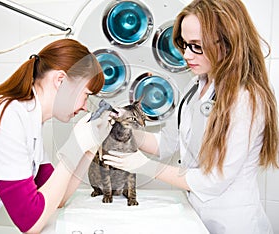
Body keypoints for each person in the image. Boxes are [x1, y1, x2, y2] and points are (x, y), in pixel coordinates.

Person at [103, 0, 279, 233]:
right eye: (184, 44)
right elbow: (168, 142)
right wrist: (121, 127)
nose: (186, 54)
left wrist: (146, 166)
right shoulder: (196, 87)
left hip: (234, 222)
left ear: (227, 41)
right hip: (196, 215)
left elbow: (214, 180)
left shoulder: (247, 98)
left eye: (196, 45)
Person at [0, 38, 113, 233]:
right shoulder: (8, 115)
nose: (85, 107)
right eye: (86, 94)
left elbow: (58, 197)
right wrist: (74, 146)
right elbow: (30, 222)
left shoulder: (30, 118)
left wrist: (89, 147)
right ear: (60, 80)